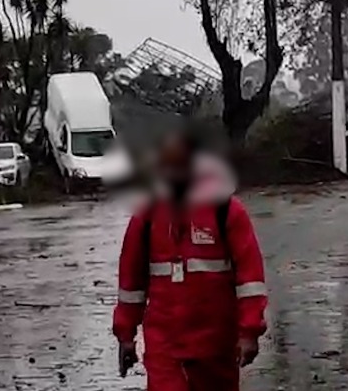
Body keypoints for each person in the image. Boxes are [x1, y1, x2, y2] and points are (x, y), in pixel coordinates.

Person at [113, 131, 268, 391]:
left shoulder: (227, 211)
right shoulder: (147, 215)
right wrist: (125, 334)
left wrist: (249, 332)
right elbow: (131, 282)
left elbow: (250, 278)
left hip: (216, 344)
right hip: (165, 344)